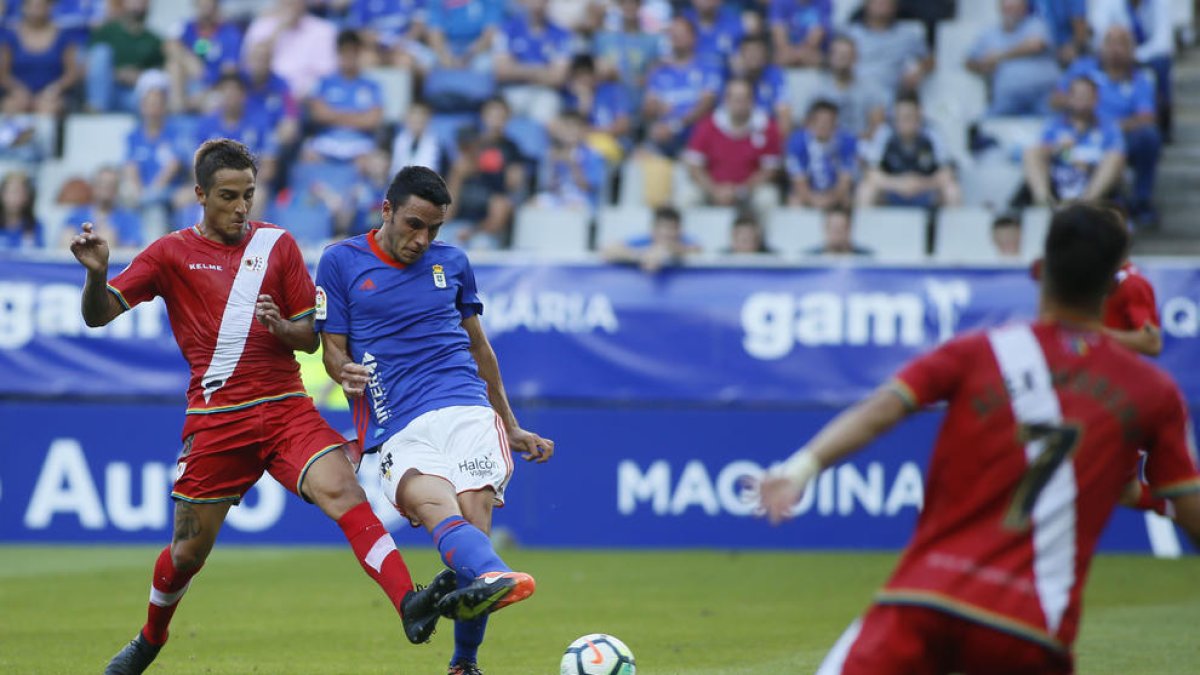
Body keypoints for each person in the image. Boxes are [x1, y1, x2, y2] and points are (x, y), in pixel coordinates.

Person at [759, 202, 1200, 674]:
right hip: (1031, 628)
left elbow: (881, 409)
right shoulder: (1153, 394)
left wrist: (800, 469)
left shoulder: (981, 351)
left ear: (1038, 270)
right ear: (1114, 277)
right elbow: (1190, 507)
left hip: (926, 599)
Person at [70, 139, 455, 675]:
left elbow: (309, 338)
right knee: (186, 555)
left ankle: (407, 602)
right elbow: (98, 316)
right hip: (216, 422)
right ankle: (150, 639)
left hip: (284, 410)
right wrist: (95, 275)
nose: (240, 207)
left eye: (248, 194)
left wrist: (283, 328)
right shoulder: (169, 253)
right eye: (228, 196)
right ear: (201, 194)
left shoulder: (277, 246)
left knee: (344, 490)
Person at [314, 165, 553, 675]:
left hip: (467, 407)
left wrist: (508, 422)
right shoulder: (340, 261)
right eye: (413, 225)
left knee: (472, 522)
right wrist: (344, 373)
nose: (422, 240)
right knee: (432, 509)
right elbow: (331, 348)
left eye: (434, 229)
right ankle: (495, 578)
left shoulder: (454, 262)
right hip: (396, 422)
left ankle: (464, 662)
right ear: (387, 211)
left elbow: (479, 346)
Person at [1058, 26, 1160, 225]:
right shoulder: (1082, 68)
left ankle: (1139, 201)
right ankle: (1047, 200)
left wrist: (1105, 126)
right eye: (1110, 42)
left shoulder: (1140, 79)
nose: (1115, 49)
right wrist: (1081, 107)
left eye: (1121, 43)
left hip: (1119, 135)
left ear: (1132, 49)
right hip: (1076, 133)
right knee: (1052, 146)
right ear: (1101, 46)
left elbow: (1146, 118)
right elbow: (1055, 98)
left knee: (1146, 137)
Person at [1021, 77, 1125, 207]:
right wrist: (1058, 148)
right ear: (1068, 98)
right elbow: (1044, 152)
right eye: (1076, 94)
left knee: (1115, 157)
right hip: (1059, 178)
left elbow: (1116, 156)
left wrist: (1082, 159)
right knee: (1032, 152)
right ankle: (1044, 202)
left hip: (1092, 180)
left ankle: (1085, 204)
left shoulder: (1108, 127)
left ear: (1096, 99)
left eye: (1086, 95)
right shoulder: (1054, 126)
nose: (1081, 98)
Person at [682, 77, 782, 208]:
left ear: (752, 100)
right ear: (726, 100)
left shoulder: (767, 127)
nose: (739, 103)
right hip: (711, 188)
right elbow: (694, 165)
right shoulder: (707, 126)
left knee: (768, 197)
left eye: (743, 98)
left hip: (749, 191)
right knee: (686, 196)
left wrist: (741, 191)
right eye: (735, 98)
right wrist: (714, 190)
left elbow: (770, 170)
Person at [857, 94, 960, 208]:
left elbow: (947, 172)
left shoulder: (932, 132)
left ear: (919, 115)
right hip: (893, 190)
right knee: (866, 189)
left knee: (952, 190)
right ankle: (866, 225)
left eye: (908, 117)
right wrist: (899, 184)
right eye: (899, 117)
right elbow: (871, 172)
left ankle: (953, 226)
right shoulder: (885, 133)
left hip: (925, 191)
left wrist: (921, 183)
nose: (903, 121)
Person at [641, 16, 723, 158]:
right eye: (673, 34)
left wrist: (675, 125)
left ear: (693, 37)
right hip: (664, 140)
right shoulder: (659, 72)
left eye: (681, 34)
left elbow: (706, 105)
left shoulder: (709, 67)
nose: (676, 38)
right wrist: (654, 108)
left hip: (700, 142)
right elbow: (648, 108)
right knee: (638, 161)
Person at [966, 0, 1059, 117]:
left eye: (1015, 8)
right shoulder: (989, 34)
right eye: (1007, 8)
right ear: (1000, 9)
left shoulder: (1036, 24)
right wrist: (981, 66)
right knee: (986, 122)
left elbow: (1035, 45)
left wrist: (999, 56)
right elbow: (969, 61)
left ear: (1024, 9)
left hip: (1041, 95)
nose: (1010, 12)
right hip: (1007, 99)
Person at [305, 29, 383, 163]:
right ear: (338, 53)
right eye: (344, 52)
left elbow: (372, 121)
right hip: (327, 140)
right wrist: (358, 116)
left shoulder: (372, 85)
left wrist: (333, 115)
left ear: (359, 54)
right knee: (308, 156)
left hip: (360, 143)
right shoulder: (324, 82)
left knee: (372, 162)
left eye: (353, 52)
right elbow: (319, 115)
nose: (349, 57)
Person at [493, 0, 573, 125]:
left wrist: (516, 68)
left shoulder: (561, 34)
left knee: (547, 113)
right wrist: (542, 70)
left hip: (545, 93)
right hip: (513, 90)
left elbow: (558, 78)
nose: (537, 4)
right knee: (497, 114)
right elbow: (501, 71)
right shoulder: (508, 29)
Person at [0, 0, 83, 115]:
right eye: (32, 6)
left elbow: (72, 72)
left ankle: (48, 132)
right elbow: (3, 73)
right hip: (18, 93)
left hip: (53, 94)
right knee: (11, 106)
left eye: (40, 6)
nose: (36, 11)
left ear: (50, 7)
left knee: (47, 108)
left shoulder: (64, 36)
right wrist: (18, 90)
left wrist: (54, 90)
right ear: (24, 8)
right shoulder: (10, 37)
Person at [165, 0, 244, 113]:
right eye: (202, 4)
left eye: (209, 4)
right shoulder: (186, 26)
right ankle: (179, 107)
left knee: (216, 102)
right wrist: (191, 61)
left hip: (214, 88)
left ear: (216, 6)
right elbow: (169, 45)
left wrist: (206, 91)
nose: (205, 8)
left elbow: (229, 73)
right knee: (174, 65)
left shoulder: (229, 33)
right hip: (188, 85)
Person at [86, 0, 165, 113]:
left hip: (134, 95)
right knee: (101, 52)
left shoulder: (155, 41)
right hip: (107, 88)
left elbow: (159, 75)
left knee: (150, 97)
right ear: (124, 3)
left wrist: (140, 77)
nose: (138, 4)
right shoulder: (107, 31)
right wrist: (116, 74)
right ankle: (96, 108)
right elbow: (89, 63)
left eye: (143, 2)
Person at [845, 0, 930, 99]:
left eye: (887, 2)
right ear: (866, 4)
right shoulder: (850, 33)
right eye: (878, 2)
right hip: (853, 97)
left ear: (895, 6)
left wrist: (919, 69)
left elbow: (929, 59)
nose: (882, 5)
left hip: (891, 98)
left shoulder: (907, 35)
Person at [809, 35, 888, 139]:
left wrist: (854, 142)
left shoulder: (870, 89)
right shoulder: (818, 90)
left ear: (855, 58)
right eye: (838, 54)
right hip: (826, 146)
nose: (842, 59)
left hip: (862, 144)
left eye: (846, 55)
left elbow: (878, 127)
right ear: (830, 57)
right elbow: (809, 126)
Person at [787, 100, 858, 210]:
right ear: (810, 123)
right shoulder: (797, 142)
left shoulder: (847, 141)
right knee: (795, 202)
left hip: (836, 194)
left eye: (828, 121)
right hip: (809, 193)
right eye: (819, 121)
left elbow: (845, 181)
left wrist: (831, 199)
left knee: (849, 199)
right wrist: (814, 200)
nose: (823, 125)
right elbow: (799, 182)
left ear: (835, 123)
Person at [603, 204, 701, 273]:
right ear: (653, 229)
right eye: (663, 227)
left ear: (679, 229)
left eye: (672, 228)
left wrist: (665, 250)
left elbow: (697, 249)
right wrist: (642, 256)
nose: (667, 233)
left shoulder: (685, 240)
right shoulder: (645, 239)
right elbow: (609, 250)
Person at [768, 0, 831, 68]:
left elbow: (818, 33)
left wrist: (801, 53)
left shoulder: (824, 2)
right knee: (779, 57)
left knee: (818, 58)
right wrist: (792, 53)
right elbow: (779, 36)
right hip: (786, 52)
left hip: (811, 52)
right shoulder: (779, 2)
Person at [0, 170, 42, 250]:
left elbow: (39, 256)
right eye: (11, 192)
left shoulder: (36, 226)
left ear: (27, 197)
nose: (14, 198)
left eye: (19, 192)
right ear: (2, 194)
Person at [806, 206, 871, 257]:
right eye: (834, 229)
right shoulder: (810, 260)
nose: (837, 234)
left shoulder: (865, 260)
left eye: (840, 229)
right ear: (825, 229)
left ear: (849, 229)